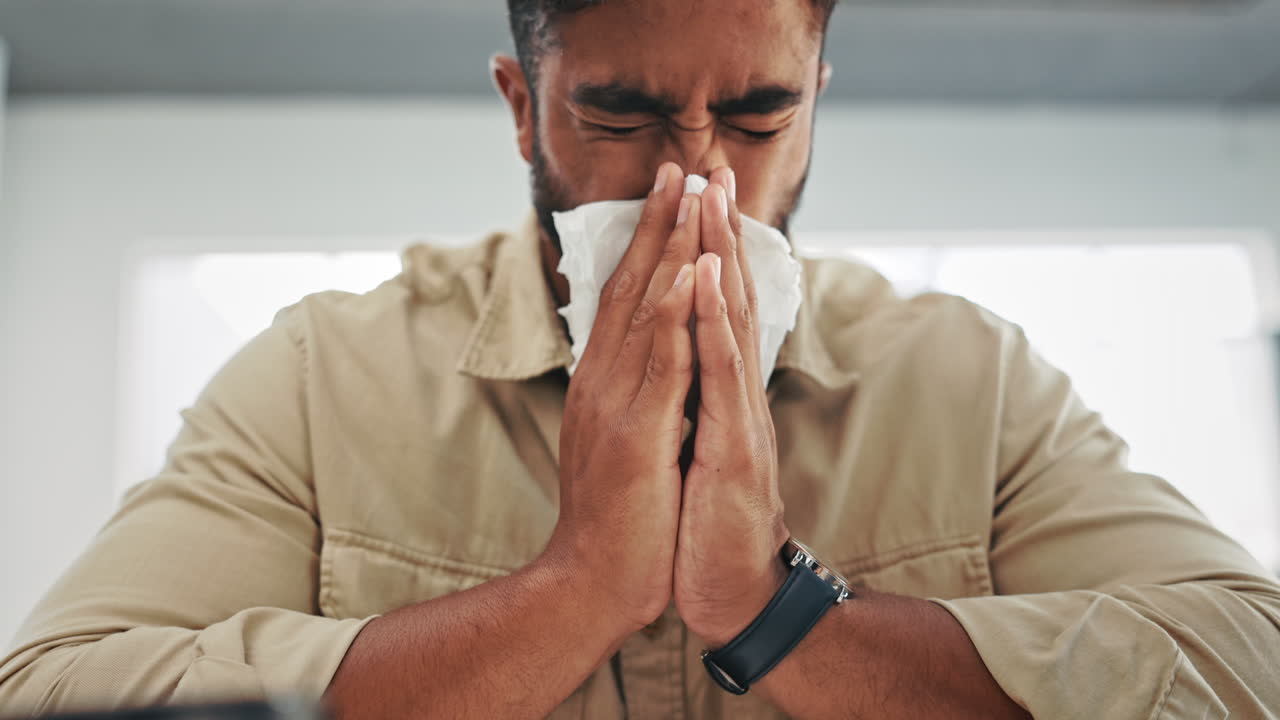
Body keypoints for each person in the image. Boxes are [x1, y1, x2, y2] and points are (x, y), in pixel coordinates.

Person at [2, 1, 1278, 718]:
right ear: (521, 106)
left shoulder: (965, 382)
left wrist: (772, 613)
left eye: (759, 115)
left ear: (816, 95)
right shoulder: (319, 378)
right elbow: (57, 695)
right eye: (619, 115)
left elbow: (1248, 664)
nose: (698, 178)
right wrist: (573, 589)